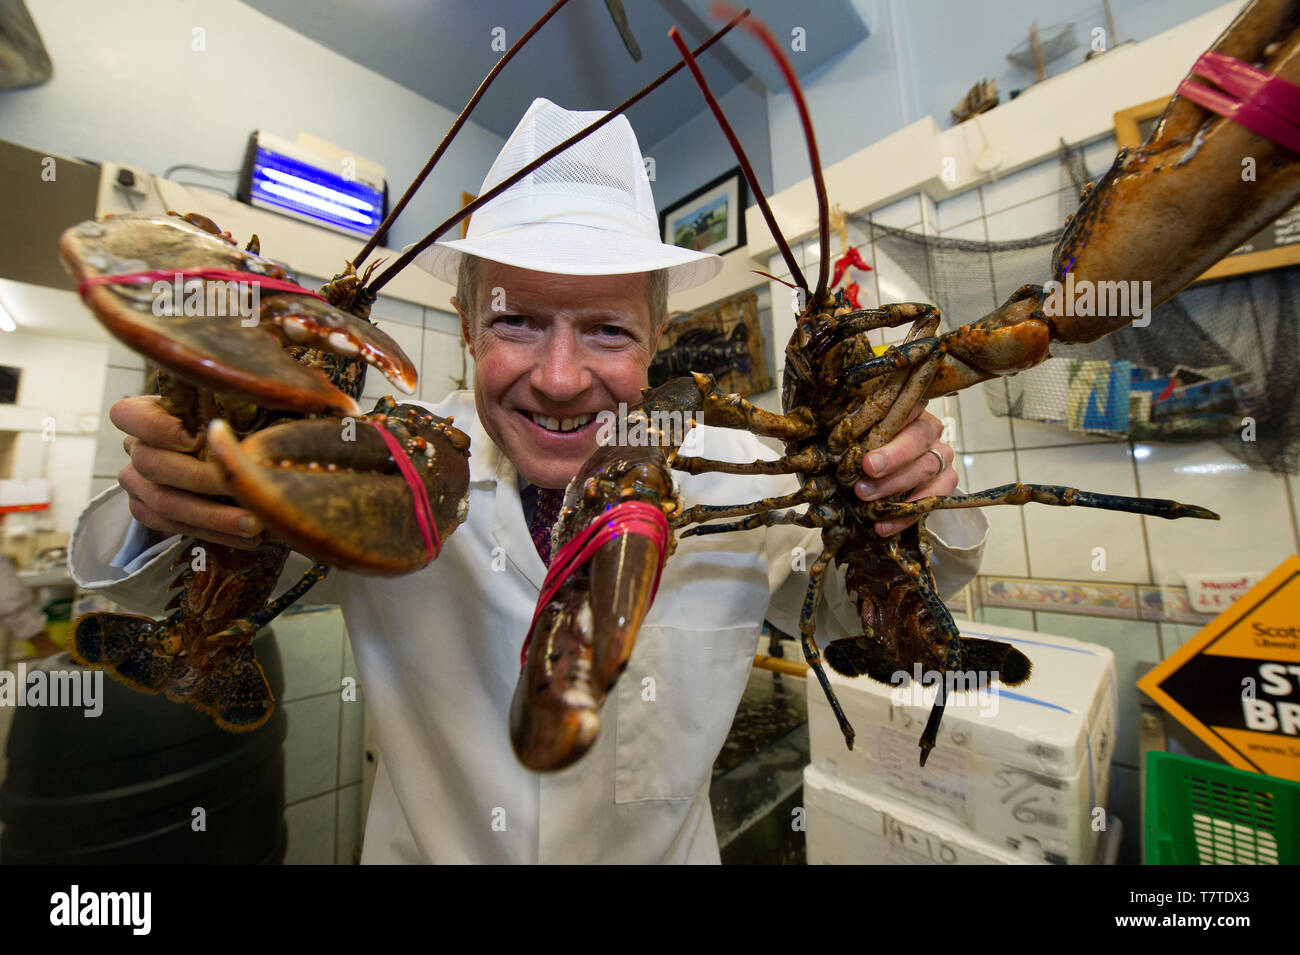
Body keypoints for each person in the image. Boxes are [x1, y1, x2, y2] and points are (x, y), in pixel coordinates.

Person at [69, 99, 987, 863]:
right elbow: (160, 585)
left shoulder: (735, 468)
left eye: (607, 331)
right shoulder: (376, 458)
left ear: (657, 340)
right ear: (467, 326)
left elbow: (853, 621)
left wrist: (907, 503)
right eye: (516, 323)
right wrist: (169, 507)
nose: (557, 377)